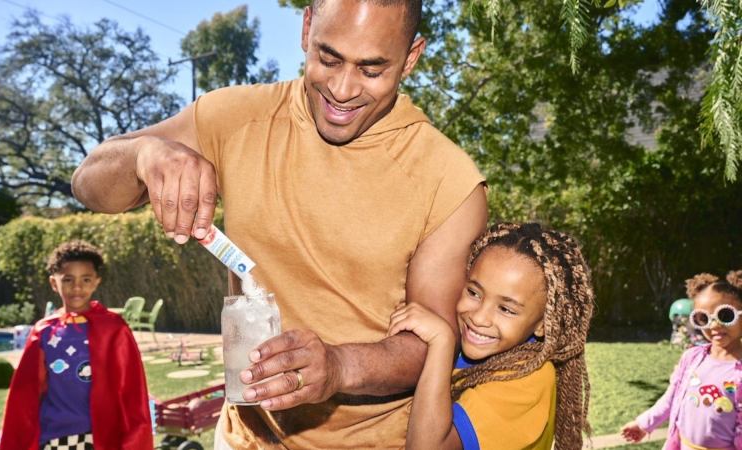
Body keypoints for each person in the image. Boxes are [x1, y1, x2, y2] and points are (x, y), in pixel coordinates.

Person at [71, 0, 488, 447]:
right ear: (307, 27)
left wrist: (340, 366)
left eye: (372, 70)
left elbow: (432, 342)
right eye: (329, 58)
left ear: (411, 57)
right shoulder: (235, 117)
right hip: (242, 436)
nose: (343, 89)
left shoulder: (449, 182)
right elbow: (88, 185)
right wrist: (144, 154)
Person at [388, 222, 594, 449]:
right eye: (474, 292)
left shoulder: (528, 381)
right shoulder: (484, 350)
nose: (479, 318)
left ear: (544, 325)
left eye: (506, 309)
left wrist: (441, 343)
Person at [0, 241, 152, 450]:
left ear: (96, 282)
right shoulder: (44, 332)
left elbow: (132, 391)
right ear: (54, 283)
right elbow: (25, 395)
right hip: (55, 437)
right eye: (68, 279)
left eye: (86, 279)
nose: (77, 287)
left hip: (101, 437)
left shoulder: (114, 329)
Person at [621, 270, 742, 450]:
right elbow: (671, 397)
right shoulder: (692, 358)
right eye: (703, 318)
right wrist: (643, 424)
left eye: (725, 315)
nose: (715, 325)